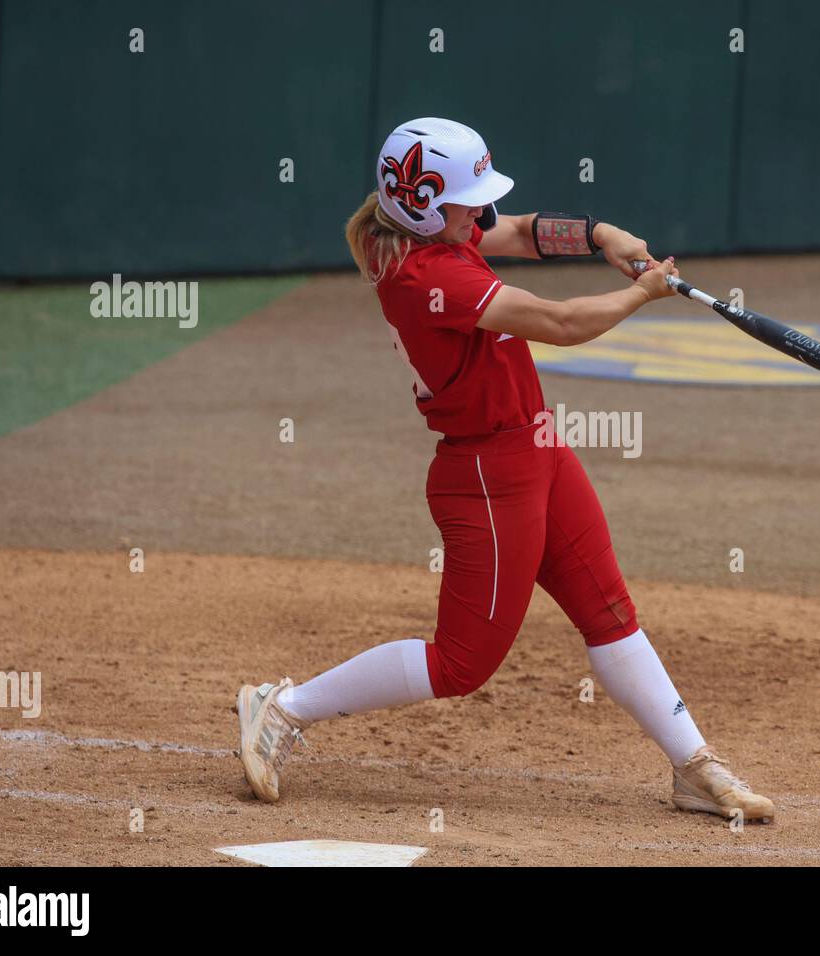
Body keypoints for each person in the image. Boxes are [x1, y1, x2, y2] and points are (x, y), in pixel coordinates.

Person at [235, 117, 774, 823]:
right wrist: (643, 294)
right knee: (463, 663)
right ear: (426, 208)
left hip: (537, 445)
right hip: (487, 471)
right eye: (467, 201)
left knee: (609, 612)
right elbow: (560, 324)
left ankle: (694, 767)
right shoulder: (426, 274)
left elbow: (516, 231)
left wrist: (600, 234)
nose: (479, 212)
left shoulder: (420, 230)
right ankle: (283, 709)